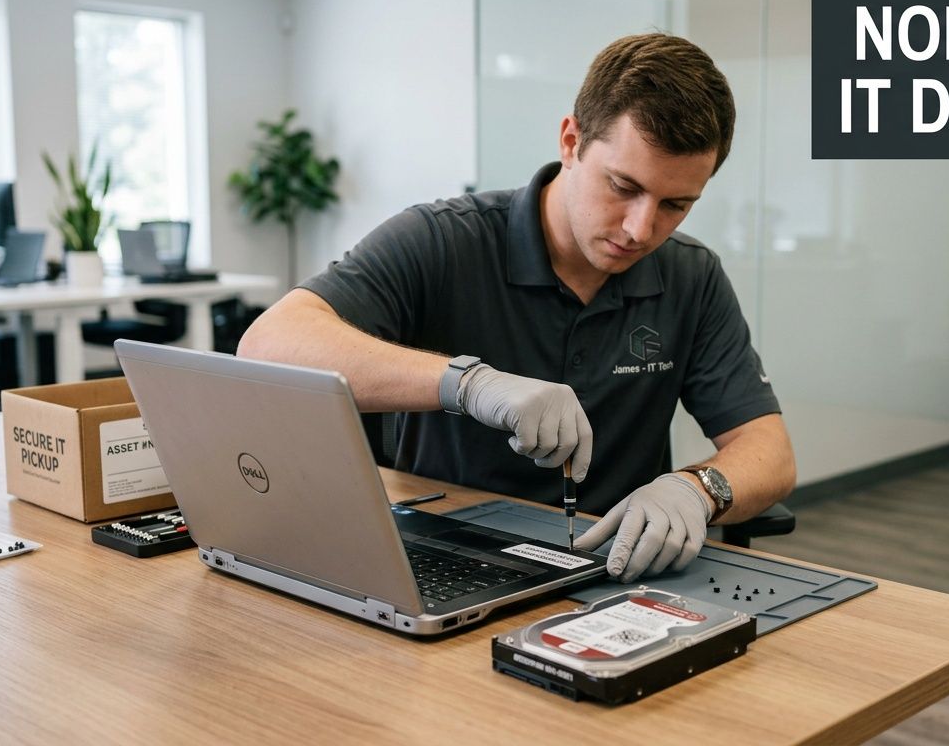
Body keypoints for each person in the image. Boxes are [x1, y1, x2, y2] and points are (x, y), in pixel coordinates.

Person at [237, 32, 795, 583]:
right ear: (571, 141)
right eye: (623, 186)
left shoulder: (691, 275)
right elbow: (268, 344)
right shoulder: (442, 241)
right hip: (448, 555)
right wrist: (468, 384)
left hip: (614, 571)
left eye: (676, 204)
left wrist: (698, 490)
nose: (641, 228)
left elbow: (768, 451)